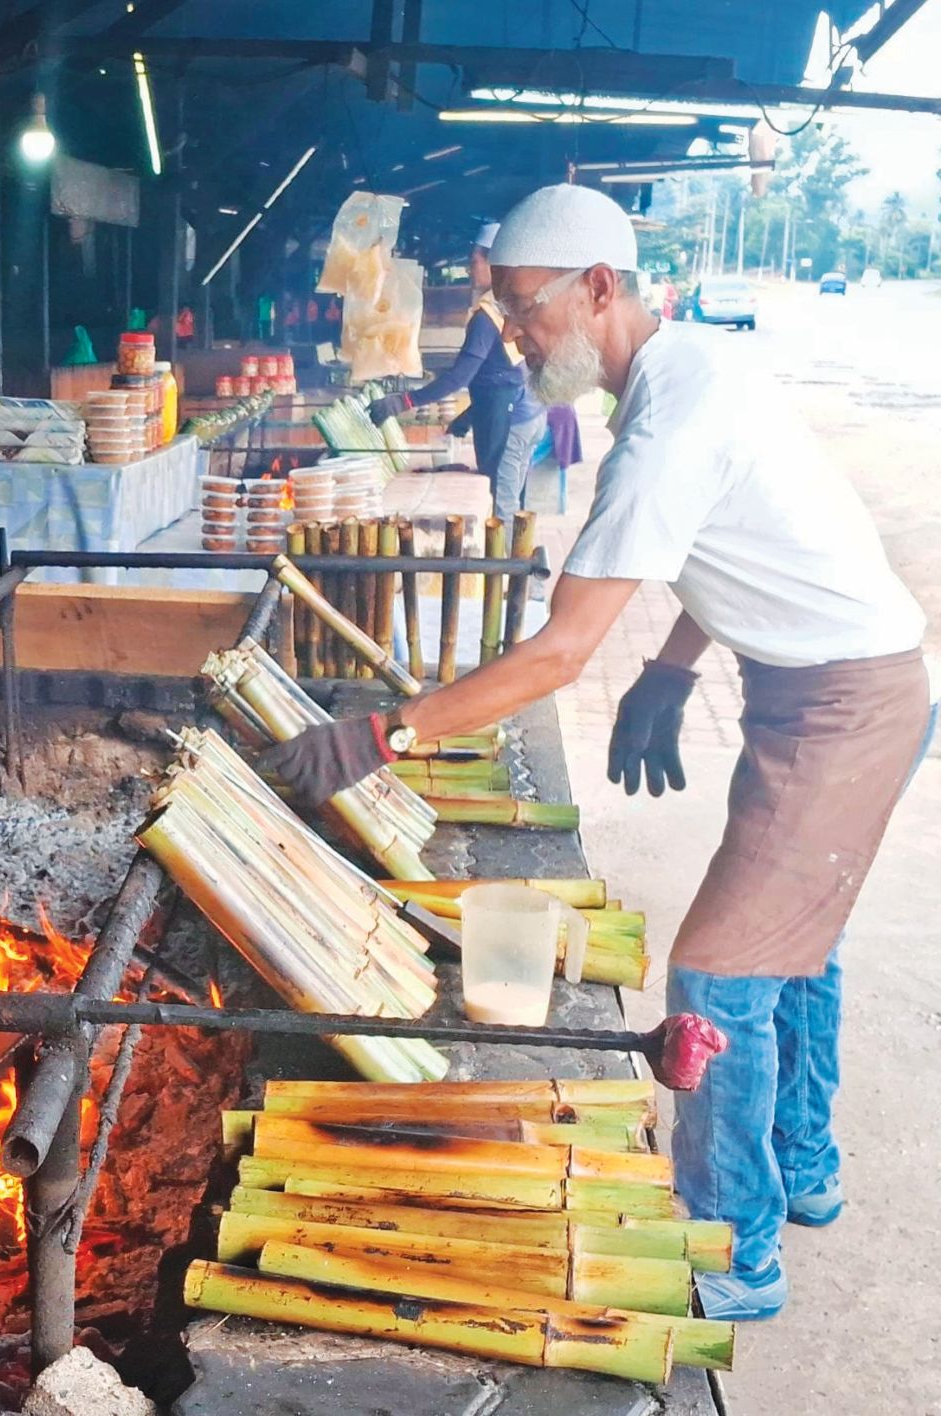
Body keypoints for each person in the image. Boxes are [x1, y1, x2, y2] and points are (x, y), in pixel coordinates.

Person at [261, 183, 932, 1323]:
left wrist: (383, 733)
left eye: (523, 310)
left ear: (598, 289)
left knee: (719, 973)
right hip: (824, 683)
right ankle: (804, 1170)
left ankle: (733, 1252)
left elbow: (560, 652)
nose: (509, 334)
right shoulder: (690, 372)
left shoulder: (665, 429)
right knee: (792, 944)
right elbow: (734, 541)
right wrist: (671, 668)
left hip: (845, 708)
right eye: (501, 309)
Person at [368, 222, 545, 521]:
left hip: (510, 420)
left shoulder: (487, 317)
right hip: (526, 413)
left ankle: (507, 566)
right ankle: (518, 563)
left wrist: (403, 401)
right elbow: (500, 373)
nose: (469, 268)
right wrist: (467, 418)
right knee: (513, 499)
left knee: (502, 506)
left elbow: (459, 377)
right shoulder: (508, 305)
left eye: (474, 261)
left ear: (494, 264)